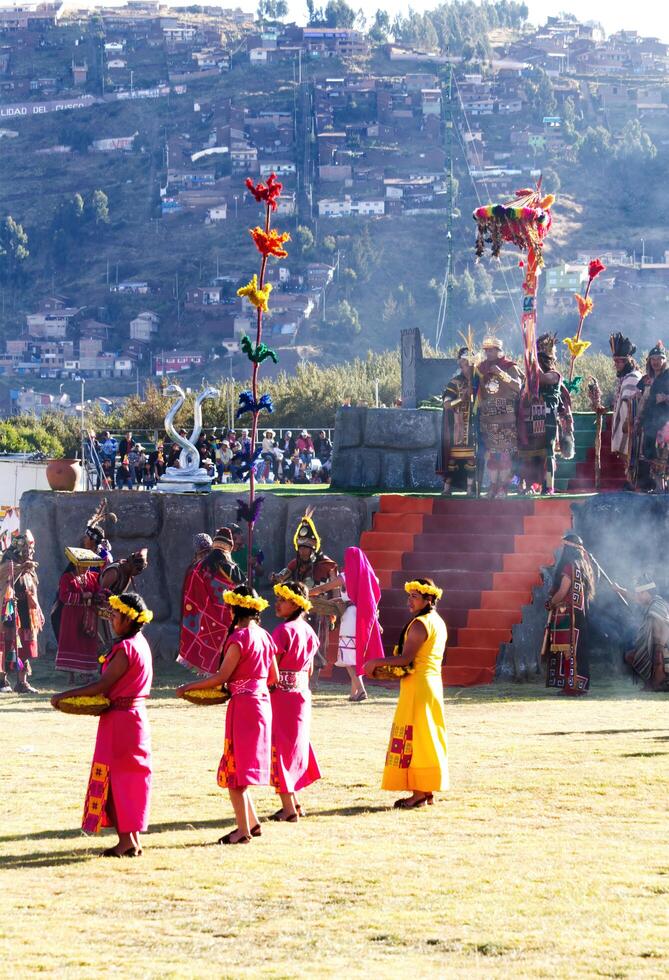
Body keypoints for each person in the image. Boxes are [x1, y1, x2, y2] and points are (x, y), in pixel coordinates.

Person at [52, 592, 154, 857]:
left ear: (130, 620)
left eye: (117, 615)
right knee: (130, 778)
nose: (112, 620)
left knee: (117, 779)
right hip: (134, 719)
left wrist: (64, 695)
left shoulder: (125, 649)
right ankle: (131, 841)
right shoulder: (141, 643)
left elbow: (103, 685)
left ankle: (126, 842)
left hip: (121, 722)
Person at [177, 585, 278, 845]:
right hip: (262, 704)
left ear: (234, 608)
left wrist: (188, 687)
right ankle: (252, 824)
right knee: (241, 767)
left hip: (244, 706)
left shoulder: (239, 638)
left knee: (236, 772)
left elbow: (222, 676)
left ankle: (242, 831)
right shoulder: (266, 636)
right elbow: (273, 677)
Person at [365, 578, 448, 808]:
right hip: (429, 684)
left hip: (419, 686)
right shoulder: (437, 622)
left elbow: (406, 658)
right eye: (409, 595)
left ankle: (419, 794)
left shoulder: (421, 624)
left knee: (417, 738)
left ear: (428, 598)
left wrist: (376, 662)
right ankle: (426, 790)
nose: (409, 600)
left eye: (414, 596)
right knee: (425, 735)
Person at [270, 581, 321, 821]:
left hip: (282, 697)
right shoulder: (309, 631)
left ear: (296, 603)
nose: (277, 603)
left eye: (283, 599)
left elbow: (272, 669)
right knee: (294, 747)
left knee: (281, 748)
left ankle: (289, 809)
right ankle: (294, 803)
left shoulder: (282, 631)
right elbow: (309, 670)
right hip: (301, 695)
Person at [271, 510, 338, 686]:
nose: (303, 551)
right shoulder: (295, 563)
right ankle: (302, 676)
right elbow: (282, 576)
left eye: (306, 548)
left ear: (313, 548)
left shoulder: (327, 564)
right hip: (300, 611)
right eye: (300, 548)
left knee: (317, 642)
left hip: (321, 609)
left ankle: (314, 678)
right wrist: (276, 578)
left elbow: (335, 589)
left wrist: (335, 610)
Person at [309, 546, 384, 702]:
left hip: (350, 617)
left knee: (348, 656)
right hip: (365, 617)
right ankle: (353, 693)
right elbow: (372, 602)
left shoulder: (345, 576)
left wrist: (305, 592)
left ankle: (361, 690)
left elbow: (324, 588)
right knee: (356, 653)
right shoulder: (372, 578)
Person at [177, 527, 245, 674]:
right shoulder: (230, 567)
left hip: (204, 619)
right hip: (227, 619)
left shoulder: (196, 569)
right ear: (230, 548)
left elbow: (189, 597)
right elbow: (240, 591)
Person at [517, 332, 573, 495]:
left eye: (543, 359)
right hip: (530, 419)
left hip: (547, 419)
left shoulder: (554, 375)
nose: (540, 362)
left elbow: (541, 377)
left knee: (547, 455)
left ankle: (548, 486)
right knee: (529, 454)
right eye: (538, 359)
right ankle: (528, 486)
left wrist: (532, 360)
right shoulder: (531, 377)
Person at [543, 532, 596, 695]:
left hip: (567, 613)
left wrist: (551, 603)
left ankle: (572, 687)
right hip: (580, 613)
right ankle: (576, 685)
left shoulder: (569, 566)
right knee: (576, 648)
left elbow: (563, 590)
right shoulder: (584, 566)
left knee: (568, 649)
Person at [474, 336, 523, 497]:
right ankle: (493, 487)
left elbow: (518, 387)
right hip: (488, 420)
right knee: (491, 455)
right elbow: (478, 391)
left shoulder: (509, 366)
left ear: (498, 350)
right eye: (486, 350)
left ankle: (504, 488)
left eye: (491, 349)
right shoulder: (481, 368)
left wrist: (501, 374)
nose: (487, 352)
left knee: (505, 454)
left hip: (506, 419)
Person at [0, 530, 44, 694]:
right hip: (8, 613)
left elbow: (33, 589)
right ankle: (1, 680)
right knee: (5, 645)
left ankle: (22, 682)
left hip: (26, 613)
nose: (29, 554)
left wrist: (38, 609)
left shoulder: (30, 567)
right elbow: (4, 579)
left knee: (23, 648)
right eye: (26, 551)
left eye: (30, 551)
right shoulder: (7, 563)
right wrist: (20, 568)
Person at [55, 548, 105, 680]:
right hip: (71, 616)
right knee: (73, 641)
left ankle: (86, 674)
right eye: (84, 565)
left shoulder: (92, 577)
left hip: (88, 615)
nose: (86, 568)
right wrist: (82, 596)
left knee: (86, 642)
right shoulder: (67, 578)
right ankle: (71, 674)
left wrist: (99, 596)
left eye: (88, 565)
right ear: (76, 564)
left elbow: (97, 592)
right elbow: (64, 596)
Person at [613, 574, 669, 691]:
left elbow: (664, 628)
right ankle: (653, 682)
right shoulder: (651, 602)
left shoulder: (657, 605)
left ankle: (658, 683)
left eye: (640, 593)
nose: (638, 596)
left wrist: (659, 650)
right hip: (654, 647)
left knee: (656, 659)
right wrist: (619, 590)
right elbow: (634, 597)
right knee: (631, 656)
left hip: (664, 648)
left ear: (648, 592)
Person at [436, 343, 476, 495]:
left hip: (472, 426)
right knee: (452, 459)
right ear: (460, 364)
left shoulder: (478, 381)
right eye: (464, 364)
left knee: (471, 458)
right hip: (456, 427)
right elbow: (446, 404)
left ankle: (470, 489)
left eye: (469, 364)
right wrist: (462, 398)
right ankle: (447, 488)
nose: (467, 367)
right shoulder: (455, 382)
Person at [97, 549, 149, 652]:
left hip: (111, 611)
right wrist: (113, 608)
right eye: (138, 569)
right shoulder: (114, 572)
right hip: (98, 610)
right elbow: (100, 595)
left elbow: (119, 597)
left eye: (141, 570)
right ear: (131, 564)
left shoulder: (129, 575)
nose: (138, 572)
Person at [610, 333, 642, 489]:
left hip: (631, 426)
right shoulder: (624, 378)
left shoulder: (634, 377)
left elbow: (633, 404)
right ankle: (630, 480)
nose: (616, 364)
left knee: (632, 455)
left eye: (619, 361)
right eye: (614, 361)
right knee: (626, 457)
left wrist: (628, 421)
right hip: (625, 424)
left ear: (628, 361)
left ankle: (633, 482)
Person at [637, 341, 669, 492]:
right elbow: (638, 395)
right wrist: (635, 396)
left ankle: (663, 489)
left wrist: (666, 398)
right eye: (653, 359)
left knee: (663, 455)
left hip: (665, 422)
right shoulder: (646, 379)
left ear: (664, 360)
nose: (656, 362)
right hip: (649, 421)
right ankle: (656, 487)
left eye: (659, 358)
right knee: (650, 454)